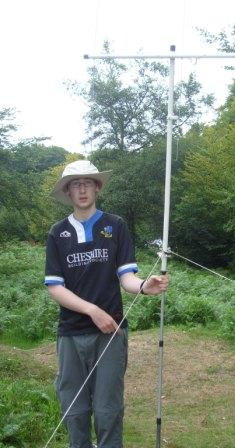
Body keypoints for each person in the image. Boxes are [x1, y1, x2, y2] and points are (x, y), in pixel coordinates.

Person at [44, 160, 169, 448]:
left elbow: (127, 278)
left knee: (107, 410)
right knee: (74, 411)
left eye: (88, 182)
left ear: (97, 187)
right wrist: (92, 310)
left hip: (111, 333)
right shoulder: (57, 233)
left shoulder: (116, 225)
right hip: (71, 334)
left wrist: (144, 286)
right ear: (68, 191)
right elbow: (55, 287)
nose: (82, 188)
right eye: (76, 184)